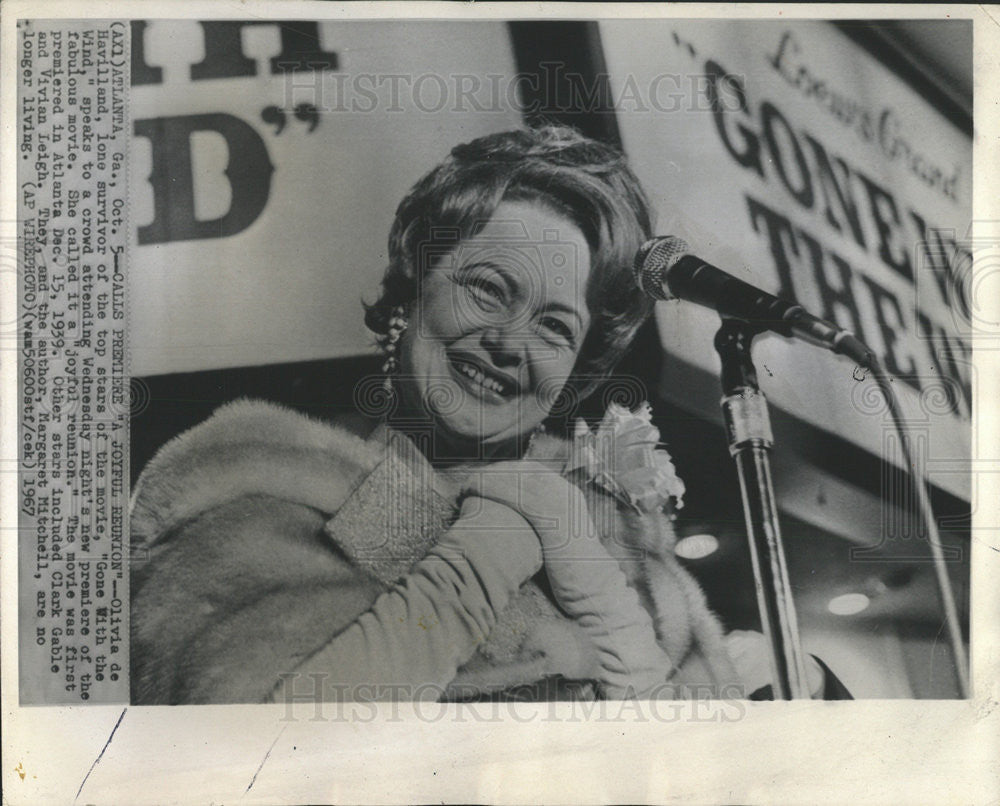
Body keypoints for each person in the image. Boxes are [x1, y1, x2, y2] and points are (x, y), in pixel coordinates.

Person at [129, 125, 845, 704]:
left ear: (575, 370)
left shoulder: (614, 545)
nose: (509, 343)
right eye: (487, 289)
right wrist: (501, 539)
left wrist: (801, 688)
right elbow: (262, 758)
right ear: (410, 290)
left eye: (556, 327)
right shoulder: (256, 490)